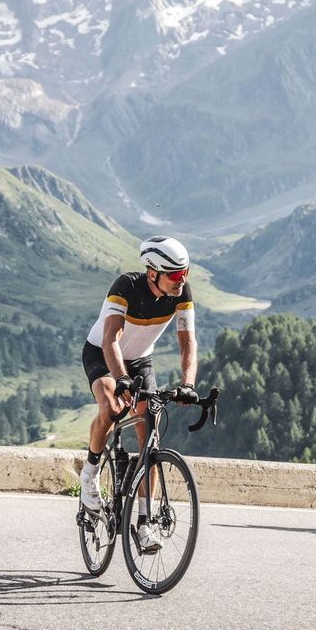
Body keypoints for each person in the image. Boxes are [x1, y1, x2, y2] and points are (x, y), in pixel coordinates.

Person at [78, 236, 198, 552]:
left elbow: (188, 342)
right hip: (103, 353)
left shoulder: (181, 293)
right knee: (112, 407)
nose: (181, 280)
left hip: (141, 358)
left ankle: (145, 523)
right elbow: (111, 339)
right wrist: (120, 379)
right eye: (174, 275)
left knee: (150, 433)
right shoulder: (126, 287)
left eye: (184, 272)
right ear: (153, 272)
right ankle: (89, 475)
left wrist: (188, 383)